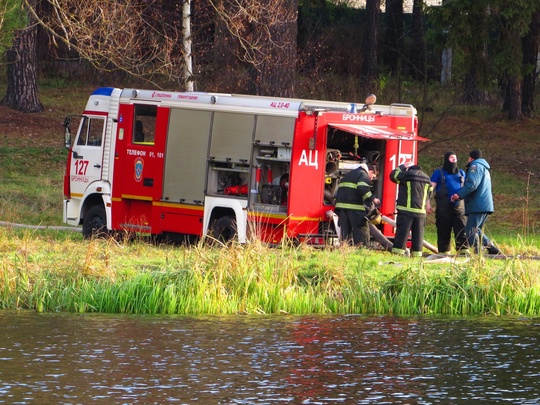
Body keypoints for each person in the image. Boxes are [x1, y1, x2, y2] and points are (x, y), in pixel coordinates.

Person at [450, 149, 501, 255]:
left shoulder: (475, 167)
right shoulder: (484, 168)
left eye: (469, 158)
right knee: (476, 229)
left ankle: (476, 253)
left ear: (471, 158)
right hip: (485, 204)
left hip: (478, 204)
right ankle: (492, 249)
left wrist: (458, 195)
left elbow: (472, 184)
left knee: (471, 229)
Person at [390, 162, 433, 257]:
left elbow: (393, 175)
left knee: (402, 233)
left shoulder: (406, 175)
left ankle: (398, 254)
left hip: (406, 210)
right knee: (418, 235)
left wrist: (402, 166)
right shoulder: (426, 178)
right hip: (420, 212)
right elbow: (430, 191)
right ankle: (416, 256)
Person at [430, 151, 469, 254]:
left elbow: (467, 189)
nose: (454, 160)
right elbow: (430, 189)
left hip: (459, 208)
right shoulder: (438, 173)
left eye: (455, 158)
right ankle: (444, 253)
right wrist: (427, 203)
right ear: (447, 159)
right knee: (443, 230)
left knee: (461, 229)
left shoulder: (462, 173)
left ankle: (463, 252)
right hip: (443, 208)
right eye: (451, 158)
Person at [335, 163, 379, 246]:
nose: (371, 179)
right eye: (373, 176)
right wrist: (373, 199)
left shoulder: (350, 174)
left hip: (342, 209)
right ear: (370, 171)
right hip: (355, 209)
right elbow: (362, 188)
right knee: (361, 232)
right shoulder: (363, 174)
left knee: (345, 234)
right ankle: (361, 252)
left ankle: (345, 251)